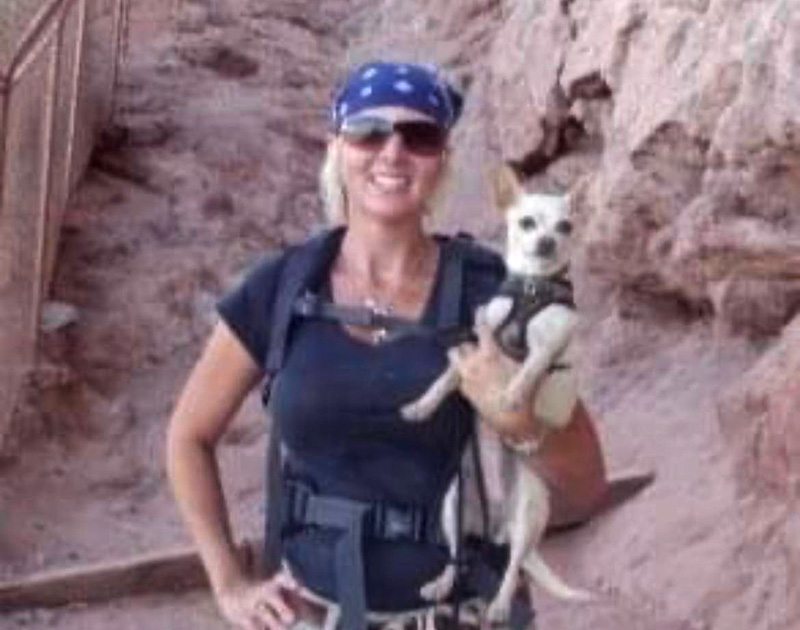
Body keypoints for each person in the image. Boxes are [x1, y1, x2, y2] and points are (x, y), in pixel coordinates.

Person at [166, 60, 608, 630]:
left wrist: (521, 422)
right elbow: (188, 436)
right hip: (312, 611)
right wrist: (229, 582)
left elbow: (583, 488)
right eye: (368, 131)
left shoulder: (492, 295)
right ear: (337, 147)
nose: (392, 152)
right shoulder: (285, 286)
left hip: (457, 613)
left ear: (442, 158)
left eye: (419, 136)